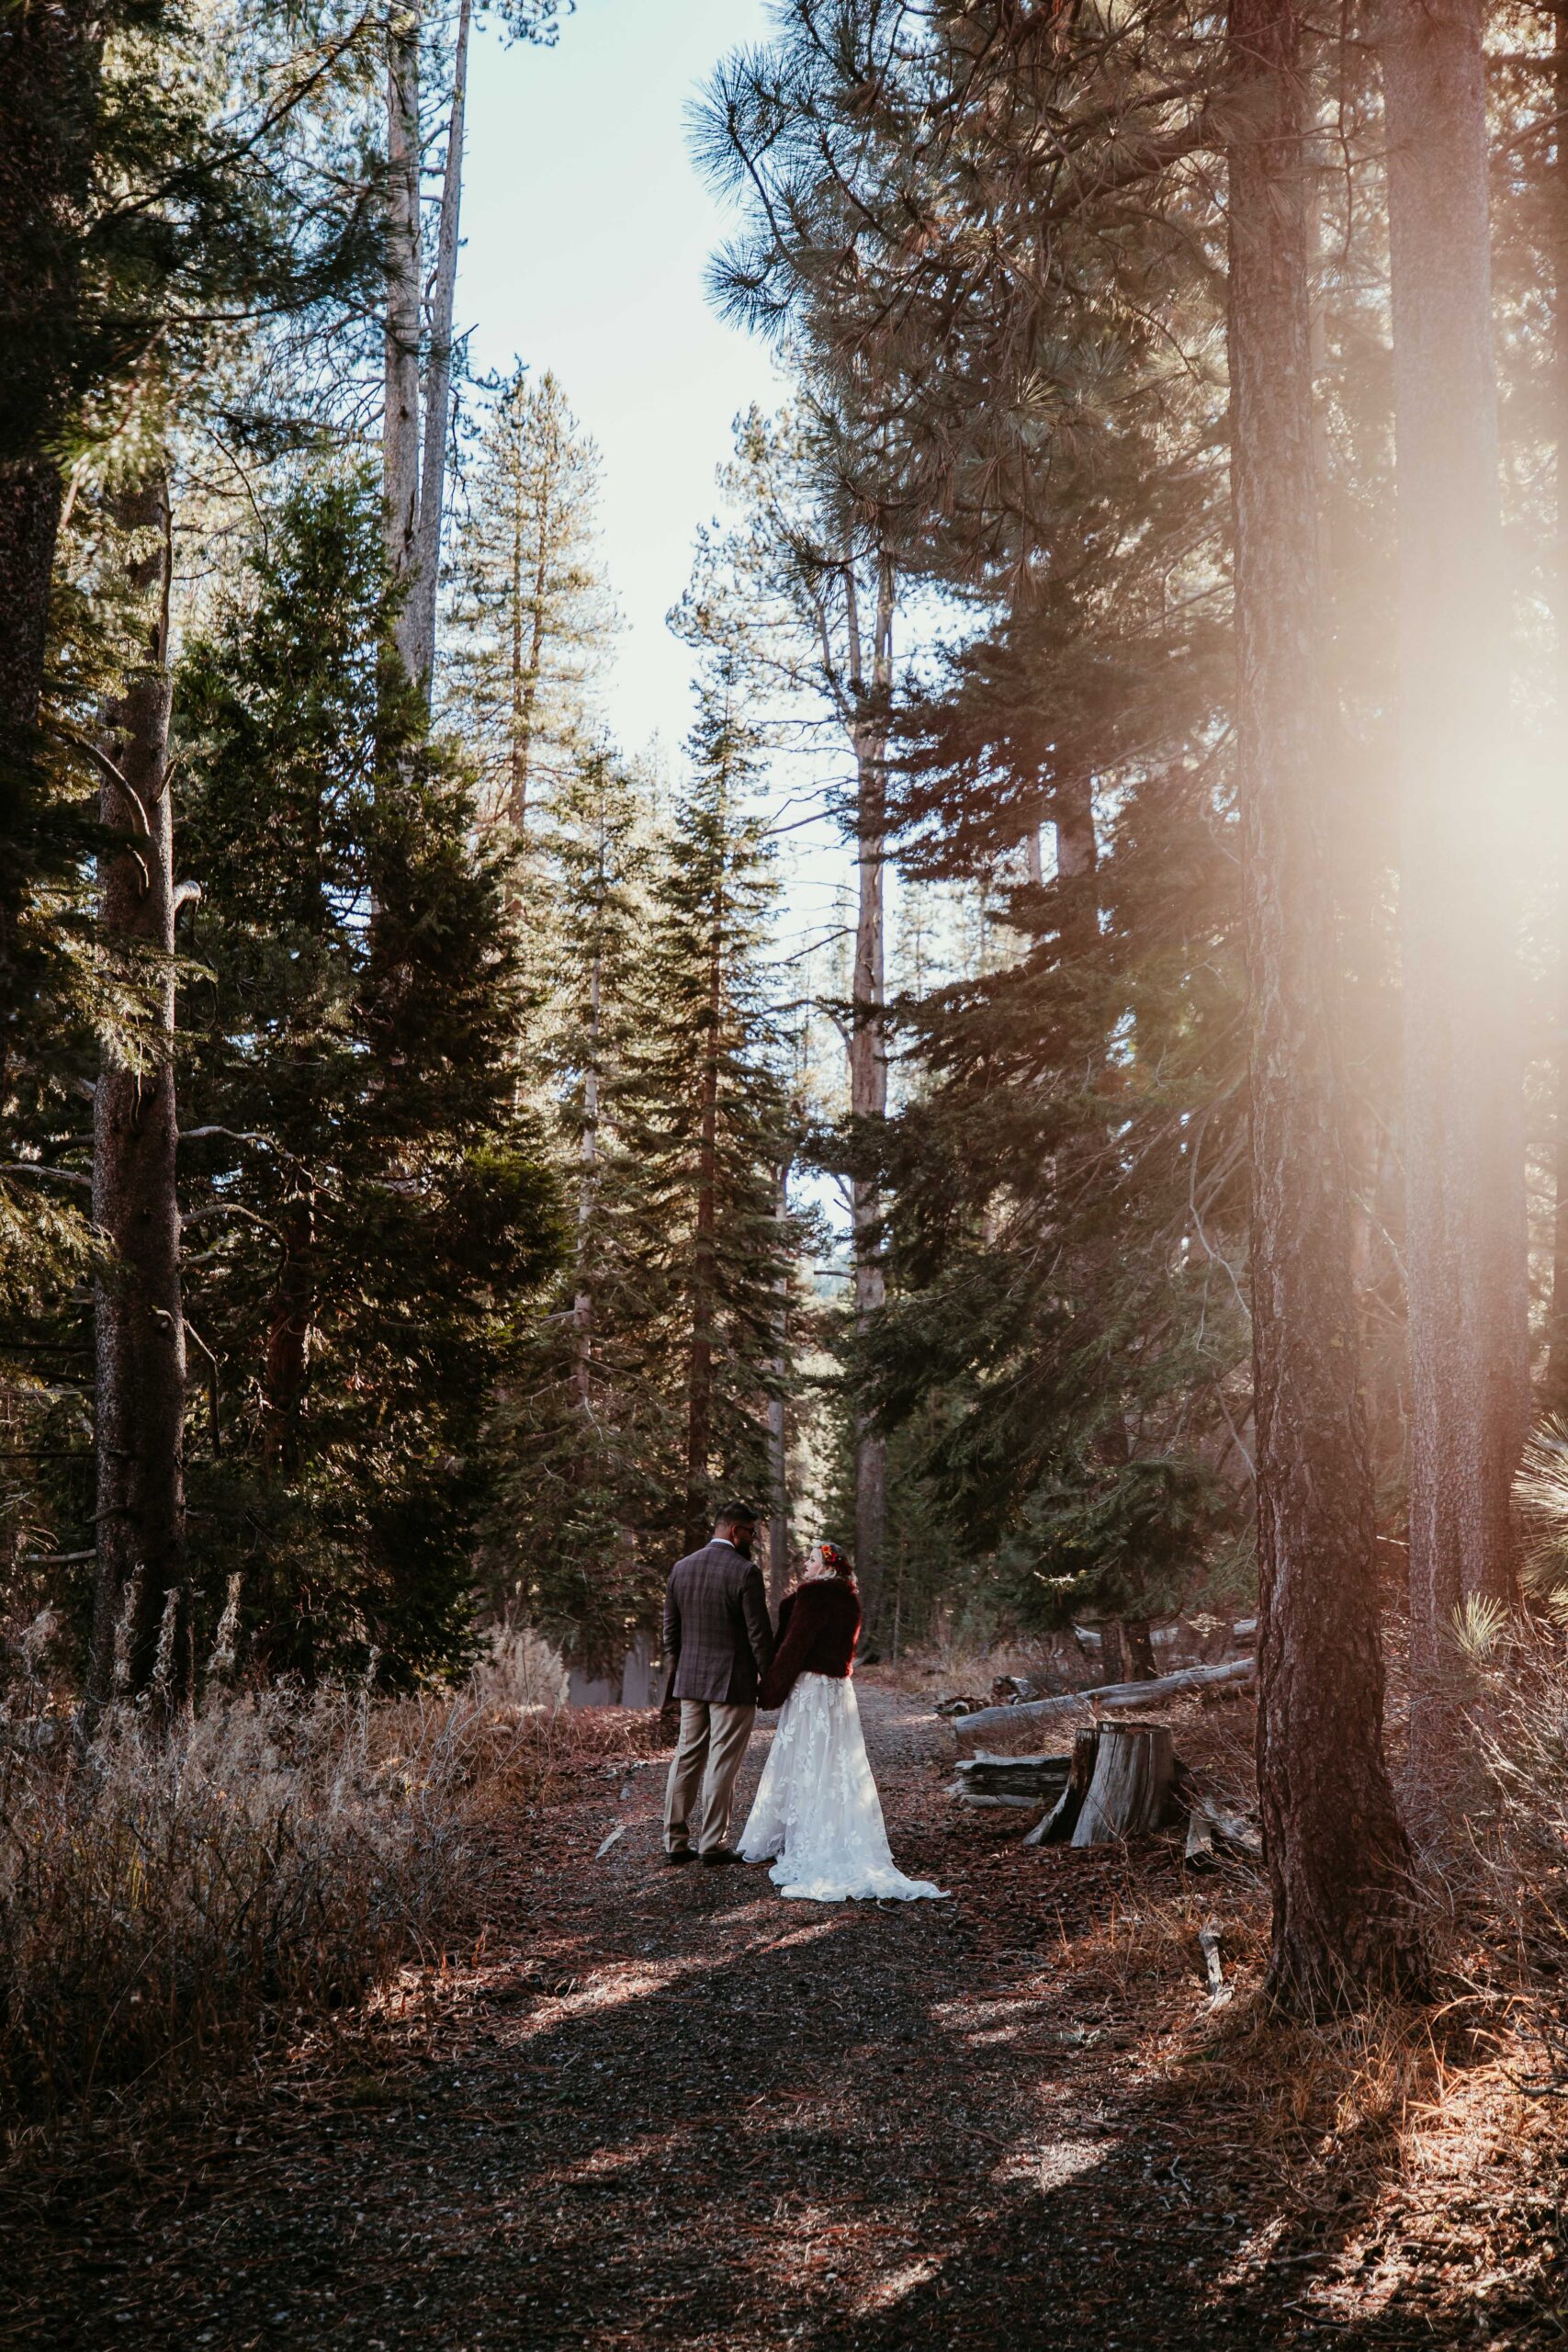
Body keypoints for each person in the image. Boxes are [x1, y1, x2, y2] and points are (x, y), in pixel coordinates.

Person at [739, 1541, 947, 1903]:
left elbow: (795, 1648)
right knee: (833, 1760)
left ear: (827, 1566)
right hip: (837, 1690)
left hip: (811, 1689)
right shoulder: (849, 1598)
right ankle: (822, 1830)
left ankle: (805, 1837)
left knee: (805, 1757)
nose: (806, 1563)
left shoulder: (814, 1597)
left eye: (812, 1559)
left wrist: (770, 1689)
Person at [661, 1501, 774, 1867]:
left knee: (687, 1757)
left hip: (690, 1680)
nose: (753, 1539)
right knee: (722, 1761)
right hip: (732, 1683)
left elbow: (671, 1634)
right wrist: (771, 1679)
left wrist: (677, 1676)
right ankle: (712, 1844)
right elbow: (759, 1635)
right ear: (733, 1531)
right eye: (750, 1532)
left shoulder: (681, 1568)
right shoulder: (745, 1572)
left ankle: (674, 1842)